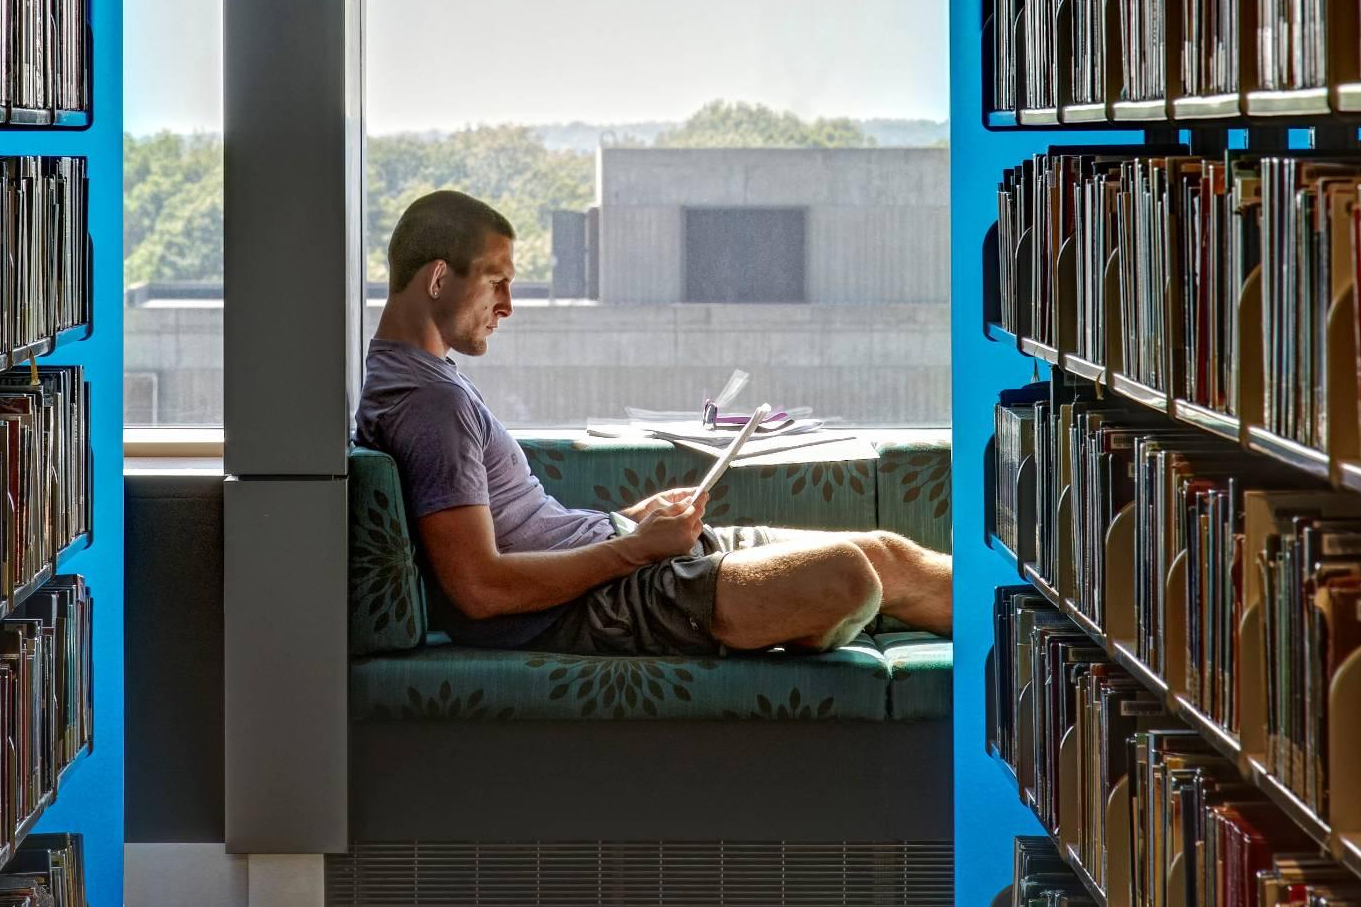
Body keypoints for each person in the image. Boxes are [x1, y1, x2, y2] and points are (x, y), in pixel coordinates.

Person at [354, 189, 953, 657]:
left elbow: (519, 526)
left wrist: (633, 524)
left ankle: (1031, 617)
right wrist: (636, 552)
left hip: (617, 560)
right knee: (848, 577)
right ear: (437, 278)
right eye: (496, 283)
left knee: (884, 552)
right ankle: (780, 617)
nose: (508, 305)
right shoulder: (430, 403)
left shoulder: (421, 377)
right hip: (604, 601)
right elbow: (479, 590)